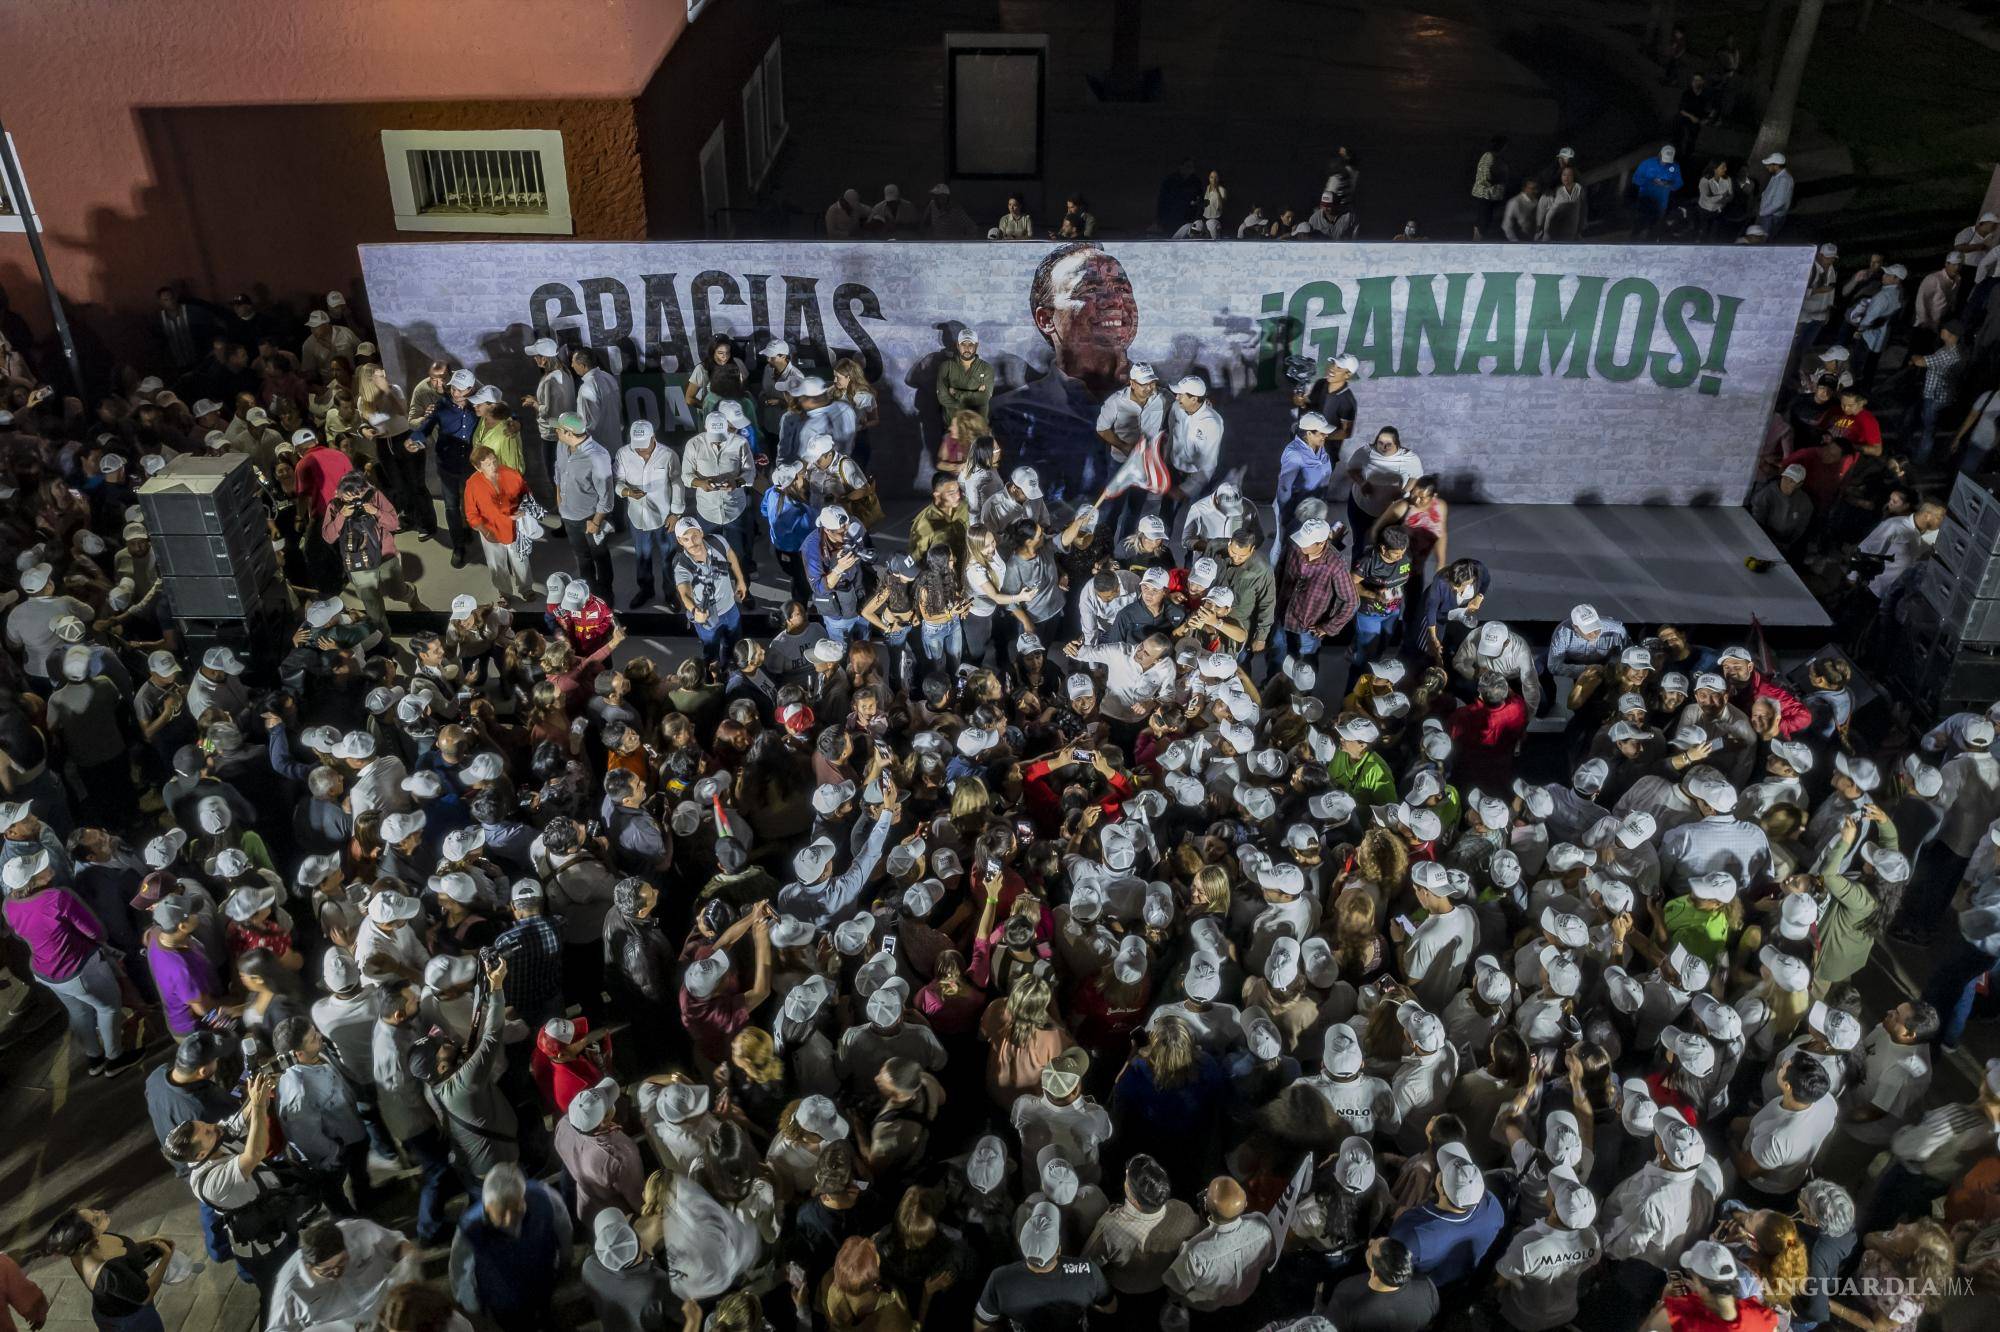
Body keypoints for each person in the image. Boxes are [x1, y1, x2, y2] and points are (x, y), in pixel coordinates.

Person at [449, 1162, 572, 1332]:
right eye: (501, 1212)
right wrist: (473, 1308)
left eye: (516, 1209)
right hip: (504, 1302)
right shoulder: (470, 1227)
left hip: (543, 1284)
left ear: (524, 1197)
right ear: (487, 1205)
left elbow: (563, 1228)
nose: (509, 1219)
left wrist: (565, 1260)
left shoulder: (544, 1197)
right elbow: (460, 1272)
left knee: (546, 1315)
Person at [32, 1206, 174, 1332]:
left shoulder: (88, 1244)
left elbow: (124, 1249)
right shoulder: (108, 1274)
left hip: (115, 1308)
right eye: (96, 1219)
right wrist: (167, 1256)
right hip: (132, 1320)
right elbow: (145, 1295)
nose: (102, 1212)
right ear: (87, 1238)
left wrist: (149, 1241)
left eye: (94, 1211)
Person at [266, 1217, 415, 1332]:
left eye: (342, 1261)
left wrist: (411, 1260)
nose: (337, 1272)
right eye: (327, 1270)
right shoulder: (289, 1288)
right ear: (308, 1266)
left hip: (384, 1309)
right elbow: (277, 1328)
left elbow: (396, 1244)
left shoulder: (360, 1232)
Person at [551, 412, 616, 595]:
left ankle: (605, 595)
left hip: (590, 518)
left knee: (600, 557)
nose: (555, 430)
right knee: (582, 558)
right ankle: (589, 595)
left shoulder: (598, 457)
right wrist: (559, 499)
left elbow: (607, 496)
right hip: (569, 516)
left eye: (558, 429)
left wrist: (596, 522)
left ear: (569, 433)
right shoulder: (561, 445)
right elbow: (558, 470)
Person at [463, 445, 532, 603]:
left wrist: (523, 509)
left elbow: (526, 493)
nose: (494, 466)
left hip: (514, 527)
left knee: (521, 559)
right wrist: (485, 531)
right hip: (491, 531)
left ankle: (526, 588)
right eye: (488, 464)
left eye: (494, 461)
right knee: (496, 564)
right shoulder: (472, 484)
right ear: (477, 467)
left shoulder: (510, 473)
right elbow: (471, 513)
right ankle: (504, 593)